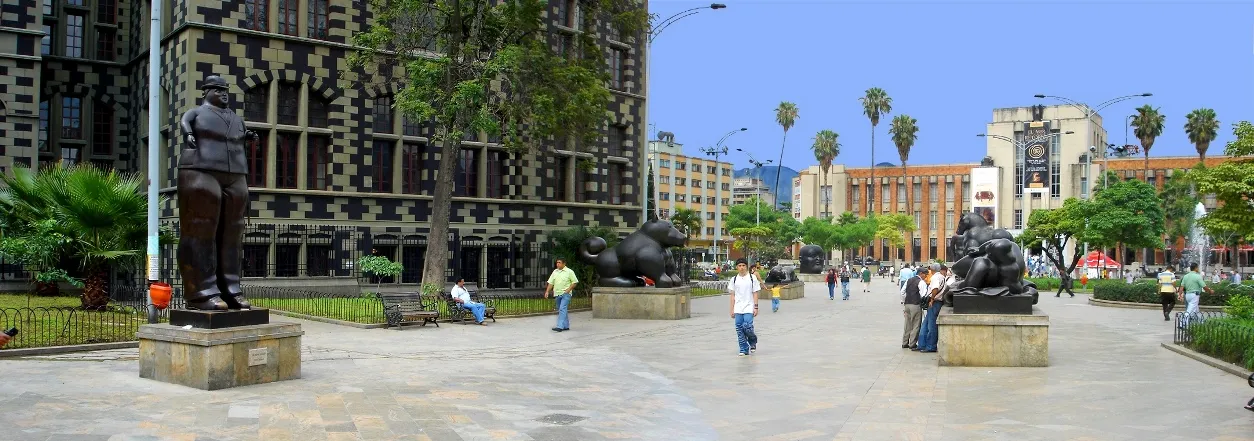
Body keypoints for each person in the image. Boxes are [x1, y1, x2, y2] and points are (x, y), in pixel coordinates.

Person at [177, 75, 259, 311]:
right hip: (202, 170)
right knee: (201, 229)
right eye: (218, 90)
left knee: (232, 233)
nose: (224, 94)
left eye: (225, 91)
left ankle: (231, 289)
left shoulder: (235, 118)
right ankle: (201, 292)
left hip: (235, 174)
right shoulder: (195, 113)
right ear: (206, 92)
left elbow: (238, 139)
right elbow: (185, 126)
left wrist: (248, 137)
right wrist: (189, 134)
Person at [727, 258, 760, 356]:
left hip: (749, 306)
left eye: (743, 266)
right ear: (737, 267)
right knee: (739, 328)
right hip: (738, 307)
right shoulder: (734, 279)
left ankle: (752, 341)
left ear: (746, 267)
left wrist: (756, 307)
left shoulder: (752, 278)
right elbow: (732, 296)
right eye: (739, 266)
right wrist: (732, 309)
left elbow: (755, 293)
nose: (741, 268)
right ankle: (743, 348)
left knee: (747, 326)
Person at [916, 263, 949, 353]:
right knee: (926, 324)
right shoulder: (942, 277)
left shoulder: (935, 277)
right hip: (938, 302)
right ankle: (922, 344)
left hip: (934, 302)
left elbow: (935, 288)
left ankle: (930, 346)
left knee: (931, 325)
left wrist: (932, 299)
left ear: (931, 269)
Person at [543, 258, 578, 332]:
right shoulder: (555, 272)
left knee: (562, 308)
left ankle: (560, 326)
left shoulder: (569, 272)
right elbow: (551, 283)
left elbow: (574, 282)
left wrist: (568, 290)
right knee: (562, 309)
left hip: (566, 294)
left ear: (564, 264)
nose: (557, 264)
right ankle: (566, 325)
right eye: (557, 262)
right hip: (557, 294)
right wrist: (547, 291)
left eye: (559, 262)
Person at [1180, 262, 1214, 328]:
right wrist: (1210, 291)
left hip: (1188, 295)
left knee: (1196, 309)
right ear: (1195, 268)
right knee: (1190, 310)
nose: (1198, 269)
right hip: (1194, 295)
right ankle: (1183, 323)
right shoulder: (1197, 276)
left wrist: (1180, 294)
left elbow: (1182, 286)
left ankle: (1200, 322)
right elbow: (1204, 286)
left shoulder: (1186, 276)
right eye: (1197, 267)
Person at [900, 269, 925, 350]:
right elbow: (923, 294)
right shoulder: (921, 282)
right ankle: (912, 343)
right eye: (925, 274)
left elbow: (902, 292)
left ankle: (904, 342)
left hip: (907, 304)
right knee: (916, 325)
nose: (925, 276)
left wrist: (905, 301)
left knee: (907, 324)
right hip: (916, 304)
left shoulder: (908, 280)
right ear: (921, 274)